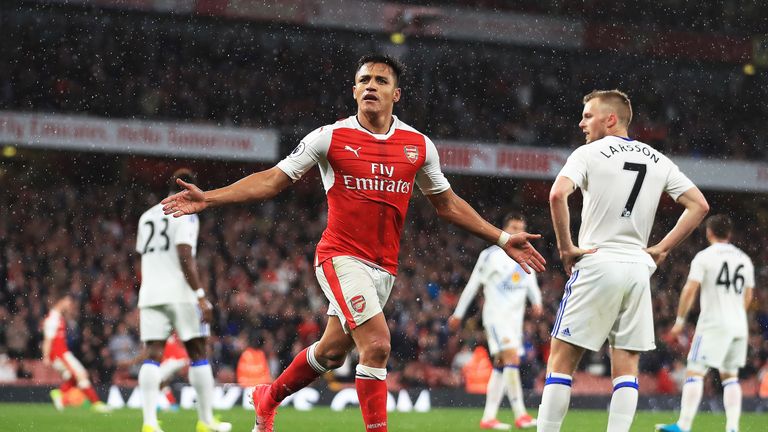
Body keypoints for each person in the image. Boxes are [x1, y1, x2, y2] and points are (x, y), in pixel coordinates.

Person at [161, 53, 546, 432]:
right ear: (354, 90)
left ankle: (269, 397)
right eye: (364, 81)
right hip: (340, 257)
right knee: (377, 344)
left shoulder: (418, 145)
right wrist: (209, 197)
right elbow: (272, 180)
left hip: (384, 270)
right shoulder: (330, 137)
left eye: (381, 81)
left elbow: (447, 204)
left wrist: (501, 237)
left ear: (397, 94)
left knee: (330, 352)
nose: (371, 86)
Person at [538, 89, 709, 432]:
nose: (581, 122)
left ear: (610, 119)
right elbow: (699, 206)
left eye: (588, 115)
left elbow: (557, 193)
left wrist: (566, 247)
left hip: (597, 260)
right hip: (637, 268)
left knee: (561, 360)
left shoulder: (588, 153)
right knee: (626, 366)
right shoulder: (657, 158)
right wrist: (661, 248)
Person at [136, 168, 231, 432]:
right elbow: (184, 255)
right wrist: (201, 296)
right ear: (189, 188)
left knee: (152, 355)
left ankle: (149, 423)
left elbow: (143, 258)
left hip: (151, 293)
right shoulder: (186, 212)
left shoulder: (146, 217)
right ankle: (206, 420)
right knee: (198, 352)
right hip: (181, 293)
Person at [655, 215, 754, 432]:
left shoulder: (705, 257)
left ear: (709, 232)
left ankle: (683, 425)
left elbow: (690, 289)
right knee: (730, 376)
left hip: (713, 323)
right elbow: (748, 295)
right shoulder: (744, 259)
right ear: (729, 234)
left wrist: (680, 321)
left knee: (696, 371)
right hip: (738, 324)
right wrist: (736, 314)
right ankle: (732, 428)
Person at [449, 212, 543, 430]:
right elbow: (473, 285)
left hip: (515, 321)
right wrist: (458, 314)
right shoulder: (490, 255)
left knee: (502, 366)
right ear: (504, 229)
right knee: (511, 359)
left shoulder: (526, 255)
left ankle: (488, 417)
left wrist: (537, 302)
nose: (516, 232)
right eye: (512, 227)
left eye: (520, 228)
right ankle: (520, 415)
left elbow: (531, 283)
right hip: (495, 318)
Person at [42, 293, 112, 413]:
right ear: (61, 301)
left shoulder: (58, 317)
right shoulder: (52, 318)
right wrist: (46, 356)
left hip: (63, 353)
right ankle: (96, 403)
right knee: (82, 375)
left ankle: (60, 394)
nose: (70, 305)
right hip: (60, 355)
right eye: (68, 302)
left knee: (74, 378)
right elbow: (48, 340)